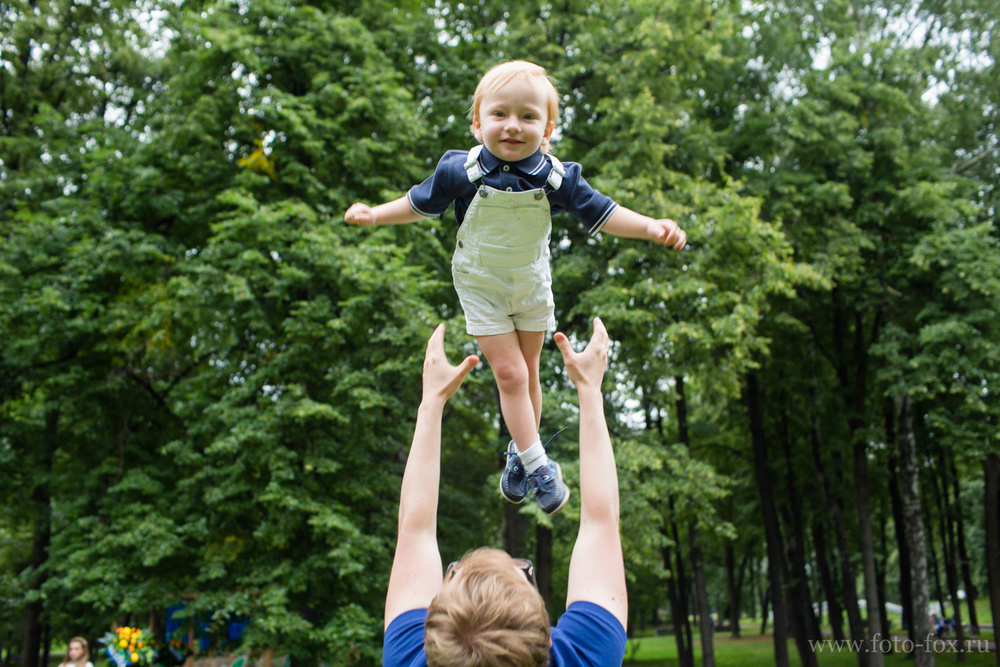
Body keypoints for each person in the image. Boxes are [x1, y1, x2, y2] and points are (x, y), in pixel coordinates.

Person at [345, 60, 686, 516]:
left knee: (527, 373)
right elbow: (416, 203)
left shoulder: (557, 177)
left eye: (527, 117)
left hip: (529, 282)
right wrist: (375, 214)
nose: (512, 126)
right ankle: (539, 464)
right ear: (477, 122)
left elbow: (604, 212)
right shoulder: (459, 170)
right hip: (481, 284)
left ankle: (518, 453)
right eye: (499, 114)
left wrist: (650, 227)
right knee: (511, 375)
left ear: (546, 129)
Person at [382, 317, 627, 667]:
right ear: (546, 637)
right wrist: (432, 401)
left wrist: (589, 390)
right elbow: (601, 522)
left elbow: (413, 532)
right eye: (522, 570)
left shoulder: (587, 657)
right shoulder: (407, 660)